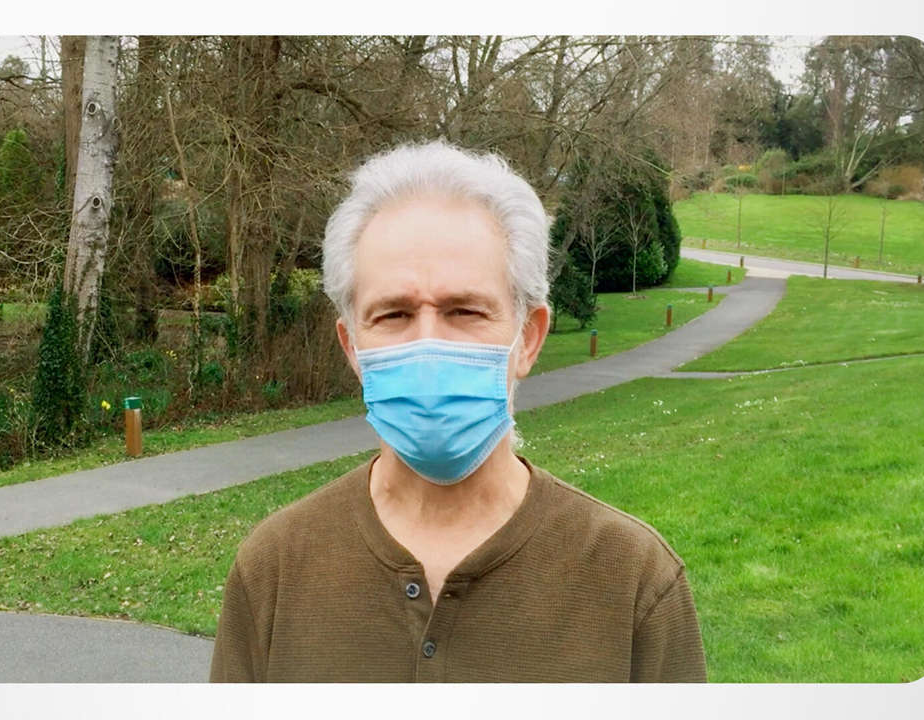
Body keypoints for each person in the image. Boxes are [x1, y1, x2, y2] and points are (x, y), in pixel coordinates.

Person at [209, 139, 706, 682]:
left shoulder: (635, 583)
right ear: (351, 346)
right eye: (393, 314)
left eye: (465, 311)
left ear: (528, 338)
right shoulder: (272, 572)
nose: (429, 346)